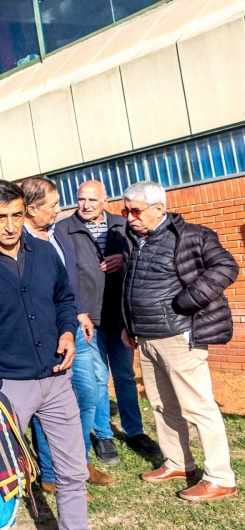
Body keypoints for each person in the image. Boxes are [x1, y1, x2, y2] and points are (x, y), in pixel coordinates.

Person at [0, 179, 89, 530]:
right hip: (9, 388)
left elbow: (65, 300)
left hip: (58, 378)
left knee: (73, 472)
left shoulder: (46, 253)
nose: (10, 225)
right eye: (0, 217)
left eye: (17, 215)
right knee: (6, 478)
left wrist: (67, 331)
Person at [120, 181, 238, 501]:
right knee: (161, 405)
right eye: (125, 210)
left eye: (136, 210)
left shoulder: (191, 235)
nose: (129, 217)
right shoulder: (135, 240)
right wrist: (128, 325)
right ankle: (178, 462)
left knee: (198, 408)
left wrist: (188, 301)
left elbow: (226, 266)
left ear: (159, 208)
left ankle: (220, 477)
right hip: (146, 337)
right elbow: (132, 285)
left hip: (179, 336)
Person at [20, 177, 115, 494]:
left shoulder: (56, 231)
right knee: (47, 406)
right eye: (52, 205)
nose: (59, 209)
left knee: (88, 392)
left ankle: (79, 460)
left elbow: (68, 278)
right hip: (44, 333)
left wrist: (80, 311)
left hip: (73, 324)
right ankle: (50, 472)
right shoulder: (17, 240)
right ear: (31, 209)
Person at [57, 180, 162, 460]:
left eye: (92, 199)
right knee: (98, 378)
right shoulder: (64, 229)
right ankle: (103, 435)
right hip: (88, 318)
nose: (86, 205)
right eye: (81, 199)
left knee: (125, 376)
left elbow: (141, 257)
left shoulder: (122, 223)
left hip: (120, 316)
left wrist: (123, 259)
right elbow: (63, 275)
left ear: (106, 199)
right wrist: (77, 312)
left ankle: (134, 431)